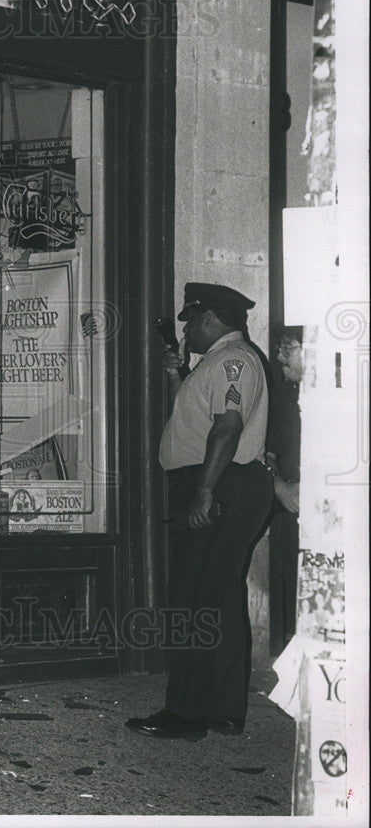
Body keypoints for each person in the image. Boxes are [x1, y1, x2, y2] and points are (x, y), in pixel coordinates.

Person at [126, 282, 274, 741]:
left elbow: (227, 429)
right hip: (229, 485)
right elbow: (200, 416)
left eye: (191, 321)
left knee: (191, 602)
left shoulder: (233, 360)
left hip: (220, 483)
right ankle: (223, 710)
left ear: (210, 319)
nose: (186, 330)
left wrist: (205, 491)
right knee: (221, 600)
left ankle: (185, 715)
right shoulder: (221, 362)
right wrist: (178, 375)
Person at [266, 326, 302, 655]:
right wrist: (280, 486)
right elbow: (269, 451)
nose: (278, 356)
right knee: (293, 587)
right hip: (289, 509)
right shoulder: (282, 396)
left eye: (286, 348)